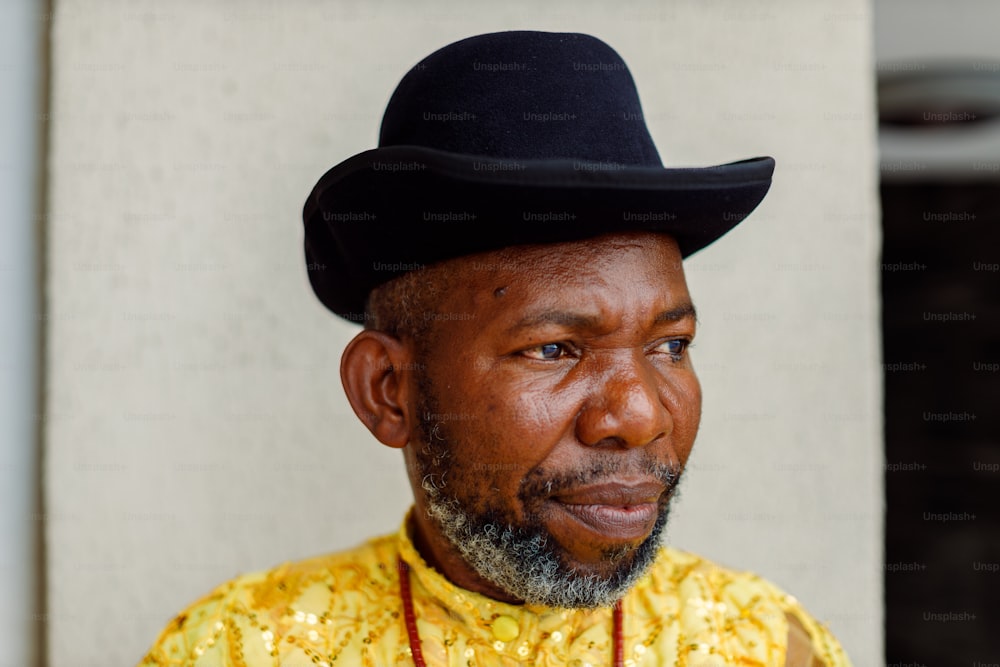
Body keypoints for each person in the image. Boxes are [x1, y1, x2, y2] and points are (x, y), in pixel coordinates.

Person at [139, 31, 852, 667]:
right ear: (389, 389)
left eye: (670, 344)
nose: (638, 416)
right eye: (554, 350)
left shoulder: (761, 646)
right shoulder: (238, 648)